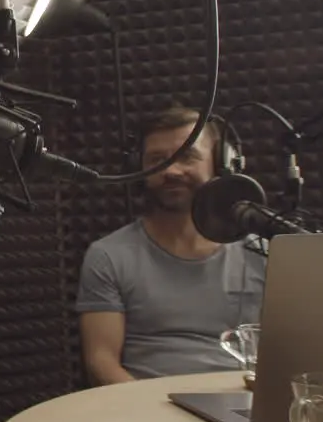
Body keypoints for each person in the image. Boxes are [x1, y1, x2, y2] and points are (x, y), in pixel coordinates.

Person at [75, 105, 266, 385]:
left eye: (186, 156)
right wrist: (153, 417)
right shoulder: (108, 255)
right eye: (157, 159)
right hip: (145, 410)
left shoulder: (263, 253)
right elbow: (101, 360)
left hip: (240, 406)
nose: (172, 170)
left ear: (222, 163)